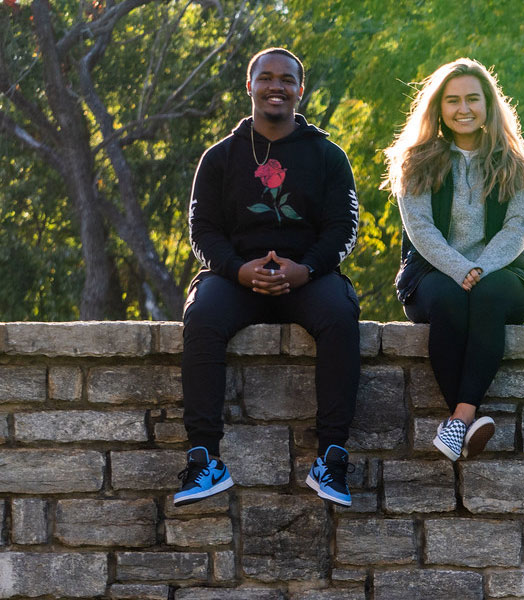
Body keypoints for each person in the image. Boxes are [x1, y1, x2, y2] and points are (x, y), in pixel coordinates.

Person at [178, 47, 360, 507]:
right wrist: (238, 269)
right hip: (237, 278)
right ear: (250, 86)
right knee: (201, 317)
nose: (276, 86)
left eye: (286, 79)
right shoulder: (219, 157)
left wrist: (307, 270)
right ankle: (204, 460)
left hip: (308, 277)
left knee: (341, 312)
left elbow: (344, 228)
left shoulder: (328, 156)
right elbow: (202, 231)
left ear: (301, 90)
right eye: (266, 78)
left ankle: (332, 459)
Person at [386, 58, 524, 462]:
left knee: (488, 294)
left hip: (501, 273)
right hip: (432, 272)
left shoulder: (515, 163)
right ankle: (466, 418)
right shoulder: (416, 161)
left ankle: (458, 419)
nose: (464, 108)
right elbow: (420, 230)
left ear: (489, 105)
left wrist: (480, 269)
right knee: (449, 300)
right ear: (438, 108)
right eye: (453, 100)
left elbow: (517, 229)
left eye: (473, 98)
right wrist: (458, 269)